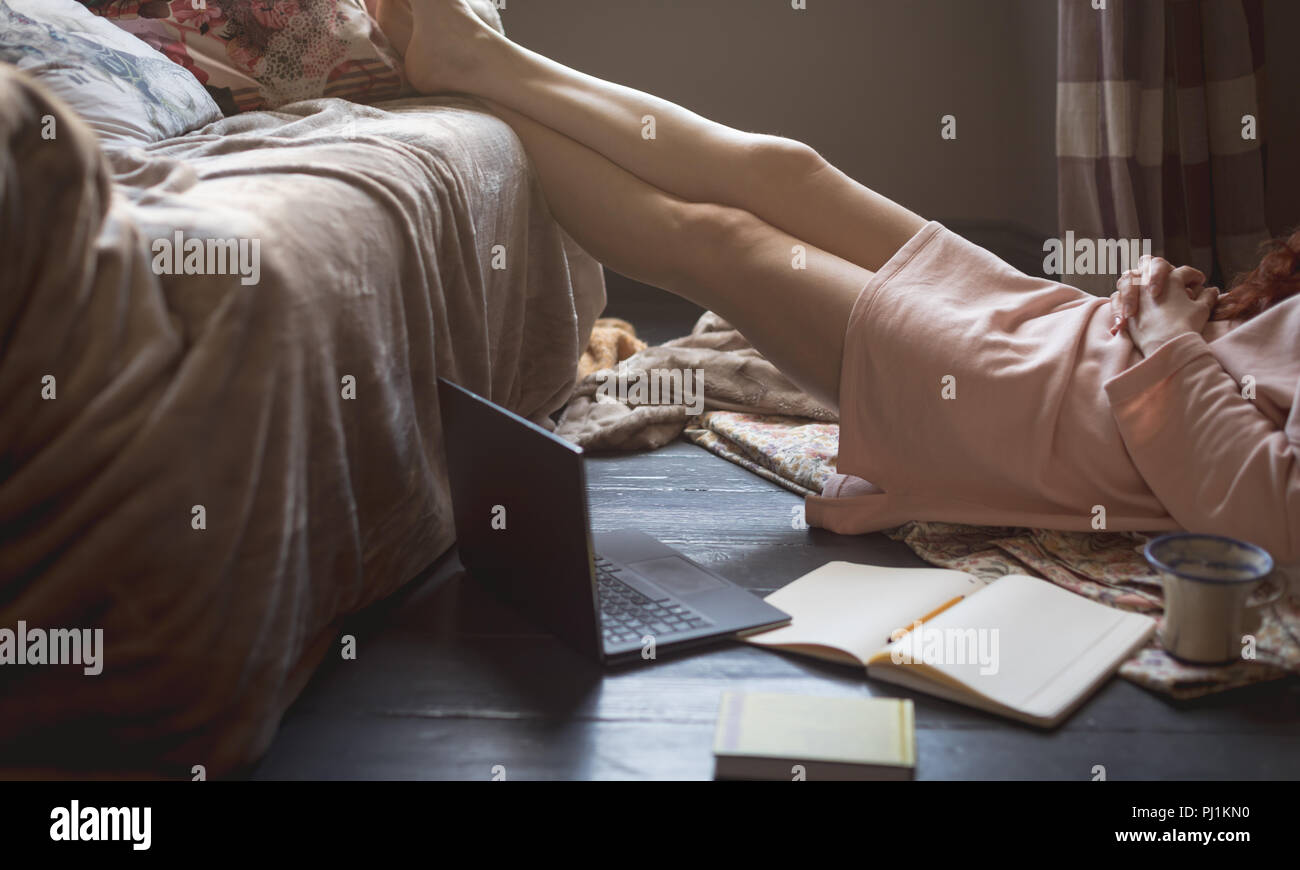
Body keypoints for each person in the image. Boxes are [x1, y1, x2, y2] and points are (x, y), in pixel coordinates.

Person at [382, 0, 1300, 562]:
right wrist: (1174, 310)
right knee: (788, 168)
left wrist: (1174, 341)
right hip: (1066, 330)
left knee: (720, 241)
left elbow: (1263, 509)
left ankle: (451, 96)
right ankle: (479, 61)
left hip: (1032, 408)